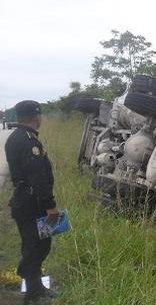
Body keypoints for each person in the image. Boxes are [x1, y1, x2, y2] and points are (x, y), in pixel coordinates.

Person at [6, 100, 58, 304]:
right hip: (32, 203)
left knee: (35, 244)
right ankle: (31, 291)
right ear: (37, 117)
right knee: (38, 245)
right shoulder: (30, 142)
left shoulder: (15, 137)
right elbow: (38, 178)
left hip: (24, 200)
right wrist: (50, 206)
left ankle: (36, 288)